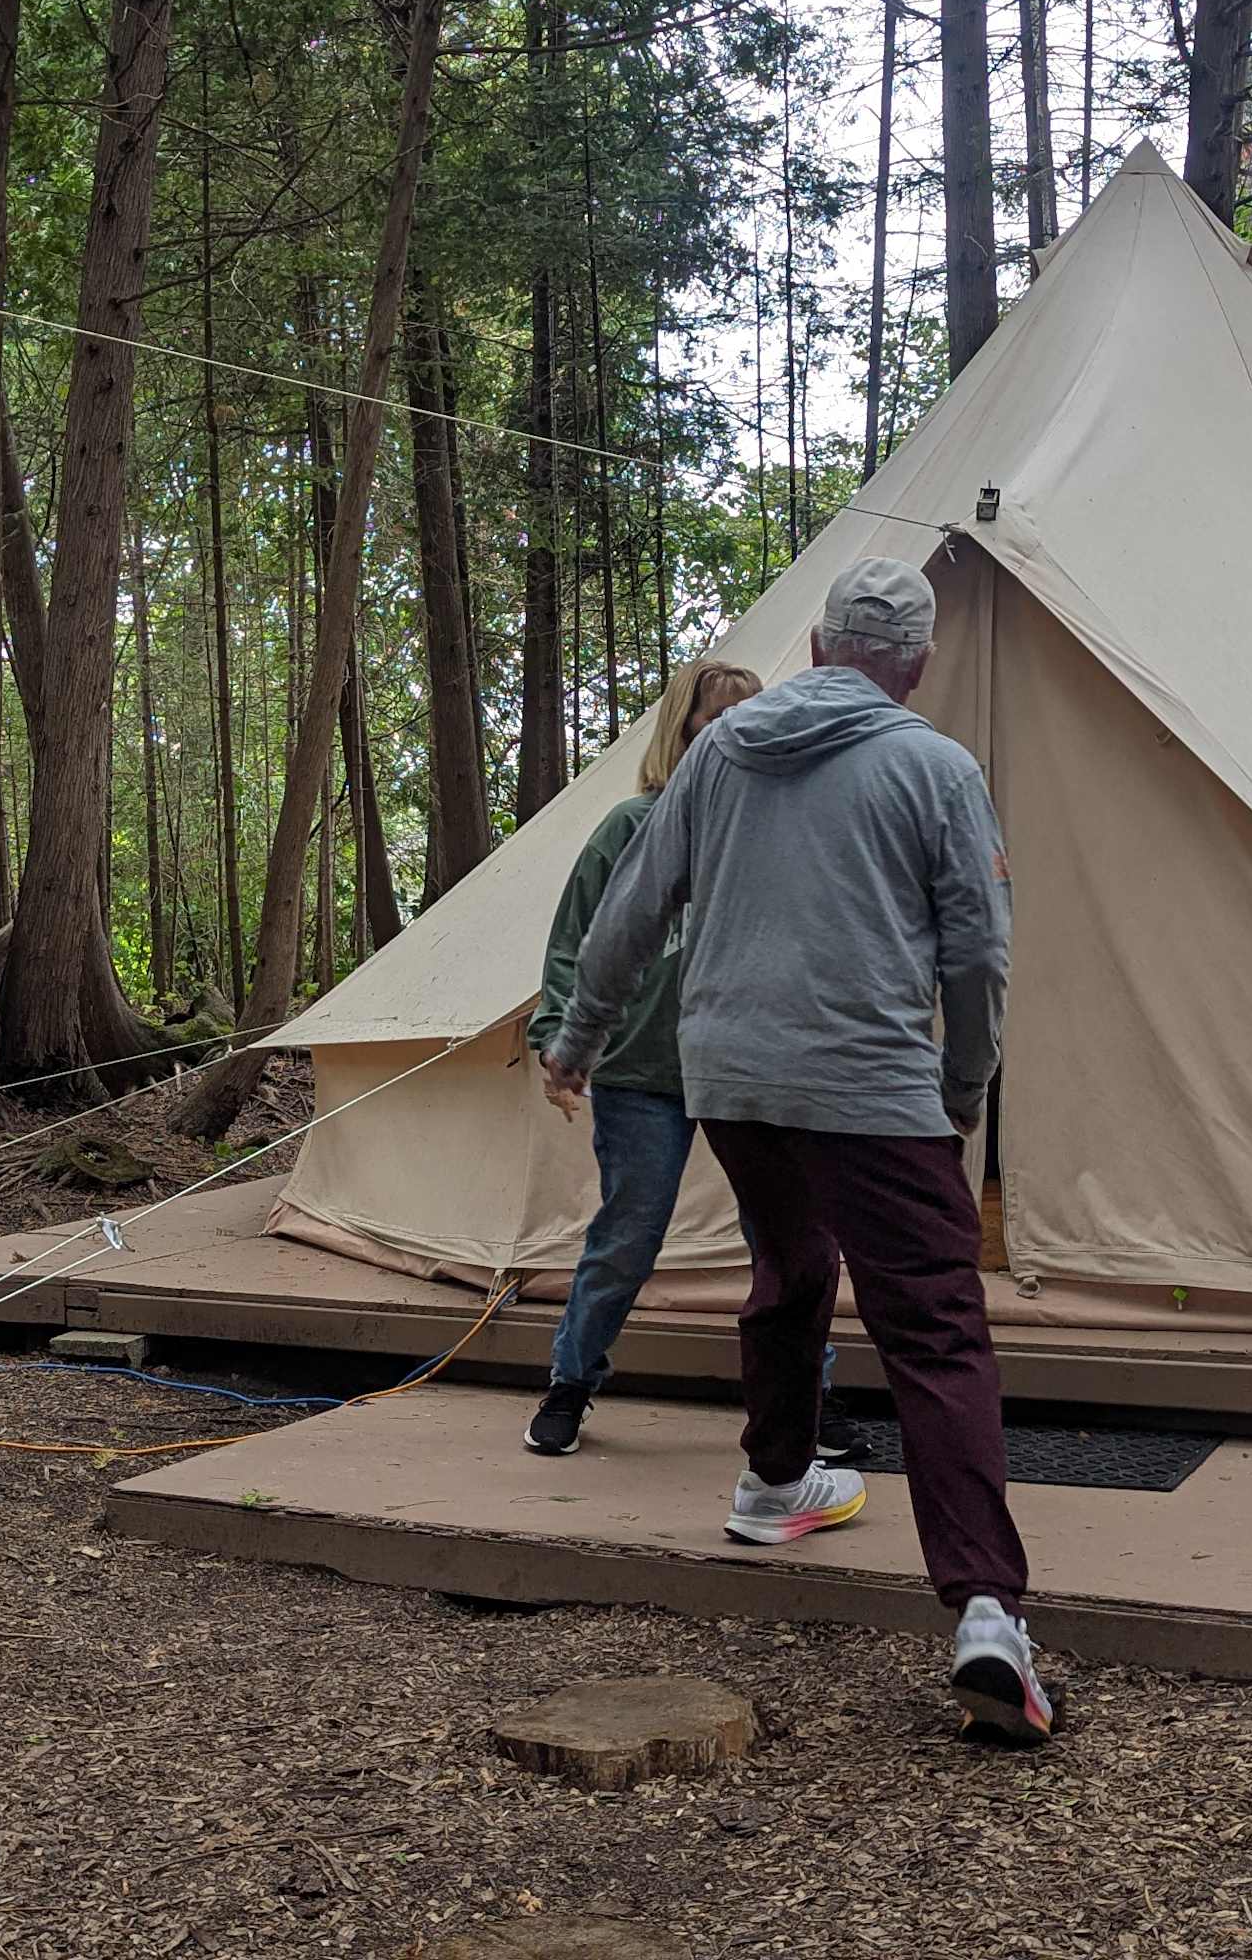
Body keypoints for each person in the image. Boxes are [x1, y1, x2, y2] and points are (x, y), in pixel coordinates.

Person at [540, 556, 1052, 1747]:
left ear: (819, 648)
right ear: (914, 668)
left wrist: (577, 1039)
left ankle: (776, 1480)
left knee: (789, 1265)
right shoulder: (935, 766)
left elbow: (633, 905)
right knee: (933, 1327)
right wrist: (963, 1087)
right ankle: (986, 1608)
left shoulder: (718, 754)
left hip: (735, 1081)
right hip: (869, 1086)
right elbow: (978, 951)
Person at [523, 660, 848, 1462]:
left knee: (786, 1239)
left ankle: (811, 1401)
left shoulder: (775, 836)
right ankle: (570, 1382)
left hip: (749, 1067)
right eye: (715, 720)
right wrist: (558, 1038)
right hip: (644, 1071)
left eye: (748, 721)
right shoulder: (631, 828)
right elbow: (577, 944)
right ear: (684, 730)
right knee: (628, 1235)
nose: (732, 735)